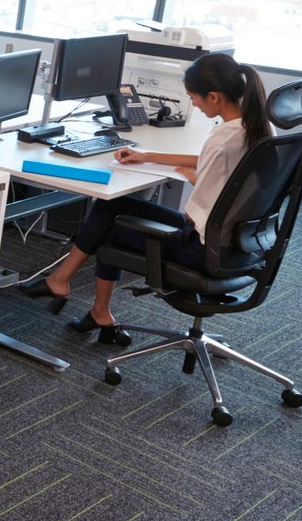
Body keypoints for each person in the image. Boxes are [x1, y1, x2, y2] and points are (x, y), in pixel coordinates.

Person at [19, 53, 272, 345]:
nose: (195, 105)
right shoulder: (257, 128)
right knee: (112, 206)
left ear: (213, 97)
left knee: (112, 224)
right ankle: (73, 292)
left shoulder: (223, 139)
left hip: (203, 248)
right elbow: (211, 163)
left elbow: (193, 211)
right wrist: (148, 156)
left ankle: (68, 287)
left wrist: (196, 177)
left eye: (194, 98)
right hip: (241, 244)